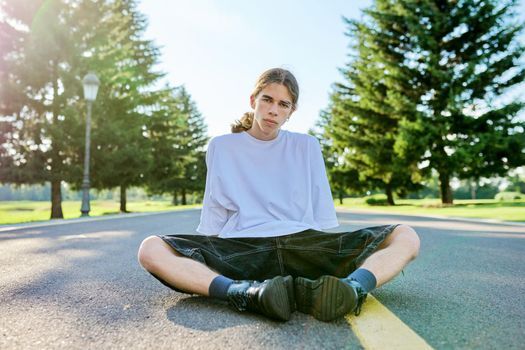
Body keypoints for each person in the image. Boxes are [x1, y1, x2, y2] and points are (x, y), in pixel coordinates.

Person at [137, 68, 420, 322]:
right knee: (150, 248)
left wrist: (325, 258)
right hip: (246, 249)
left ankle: (351, 288)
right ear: (253, 100)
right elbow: (215, 215)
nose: (274, 110)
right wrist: (211, 256)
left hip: (304, 245)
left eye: (283, 104)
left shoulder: (307, 146)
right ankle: (244, 292)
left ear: (291, 111)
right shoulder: (221, 147)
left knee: (406, 235)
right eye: (267, 100)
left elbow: (320, 217)